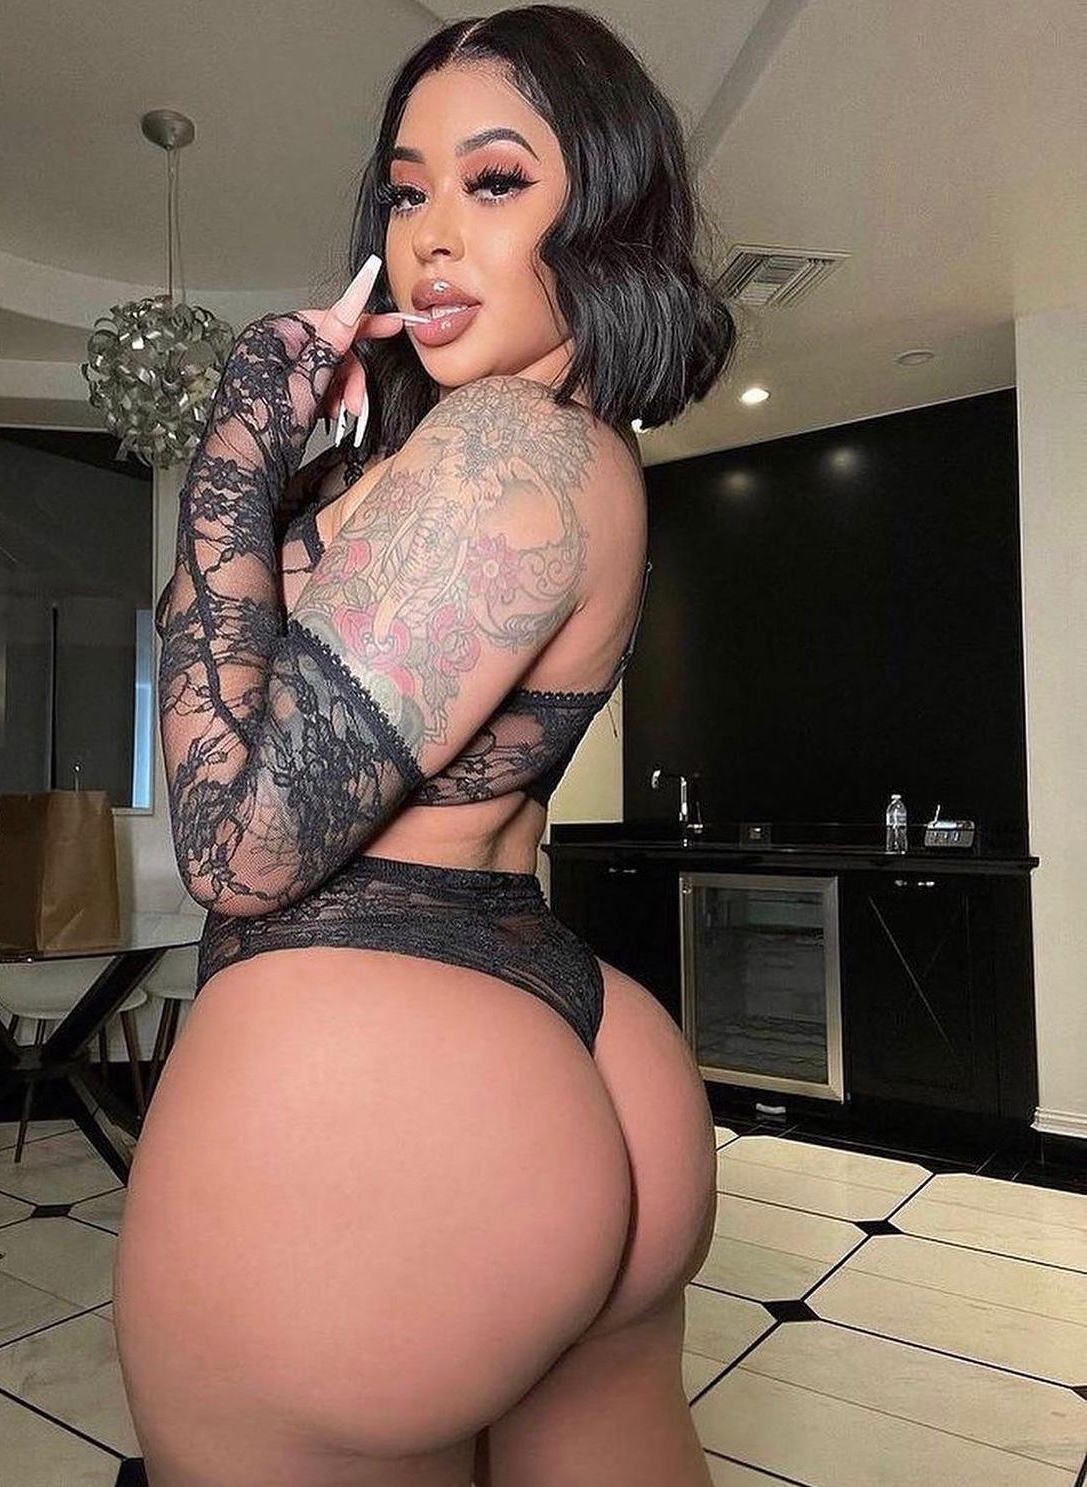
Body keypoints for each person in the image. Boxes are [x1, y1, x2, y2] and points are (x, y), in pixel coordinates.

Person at [112, 7, 736, 1485]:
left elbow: (236, 851)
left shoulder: (504, 448)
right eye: (405, 192)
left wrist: (233, 452)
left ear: (608, 208)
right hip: (559, 1040)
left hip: (380, 1077)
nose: (431, 236)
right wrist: (301, 479)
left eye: (495, 180)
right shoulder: (536, 451)